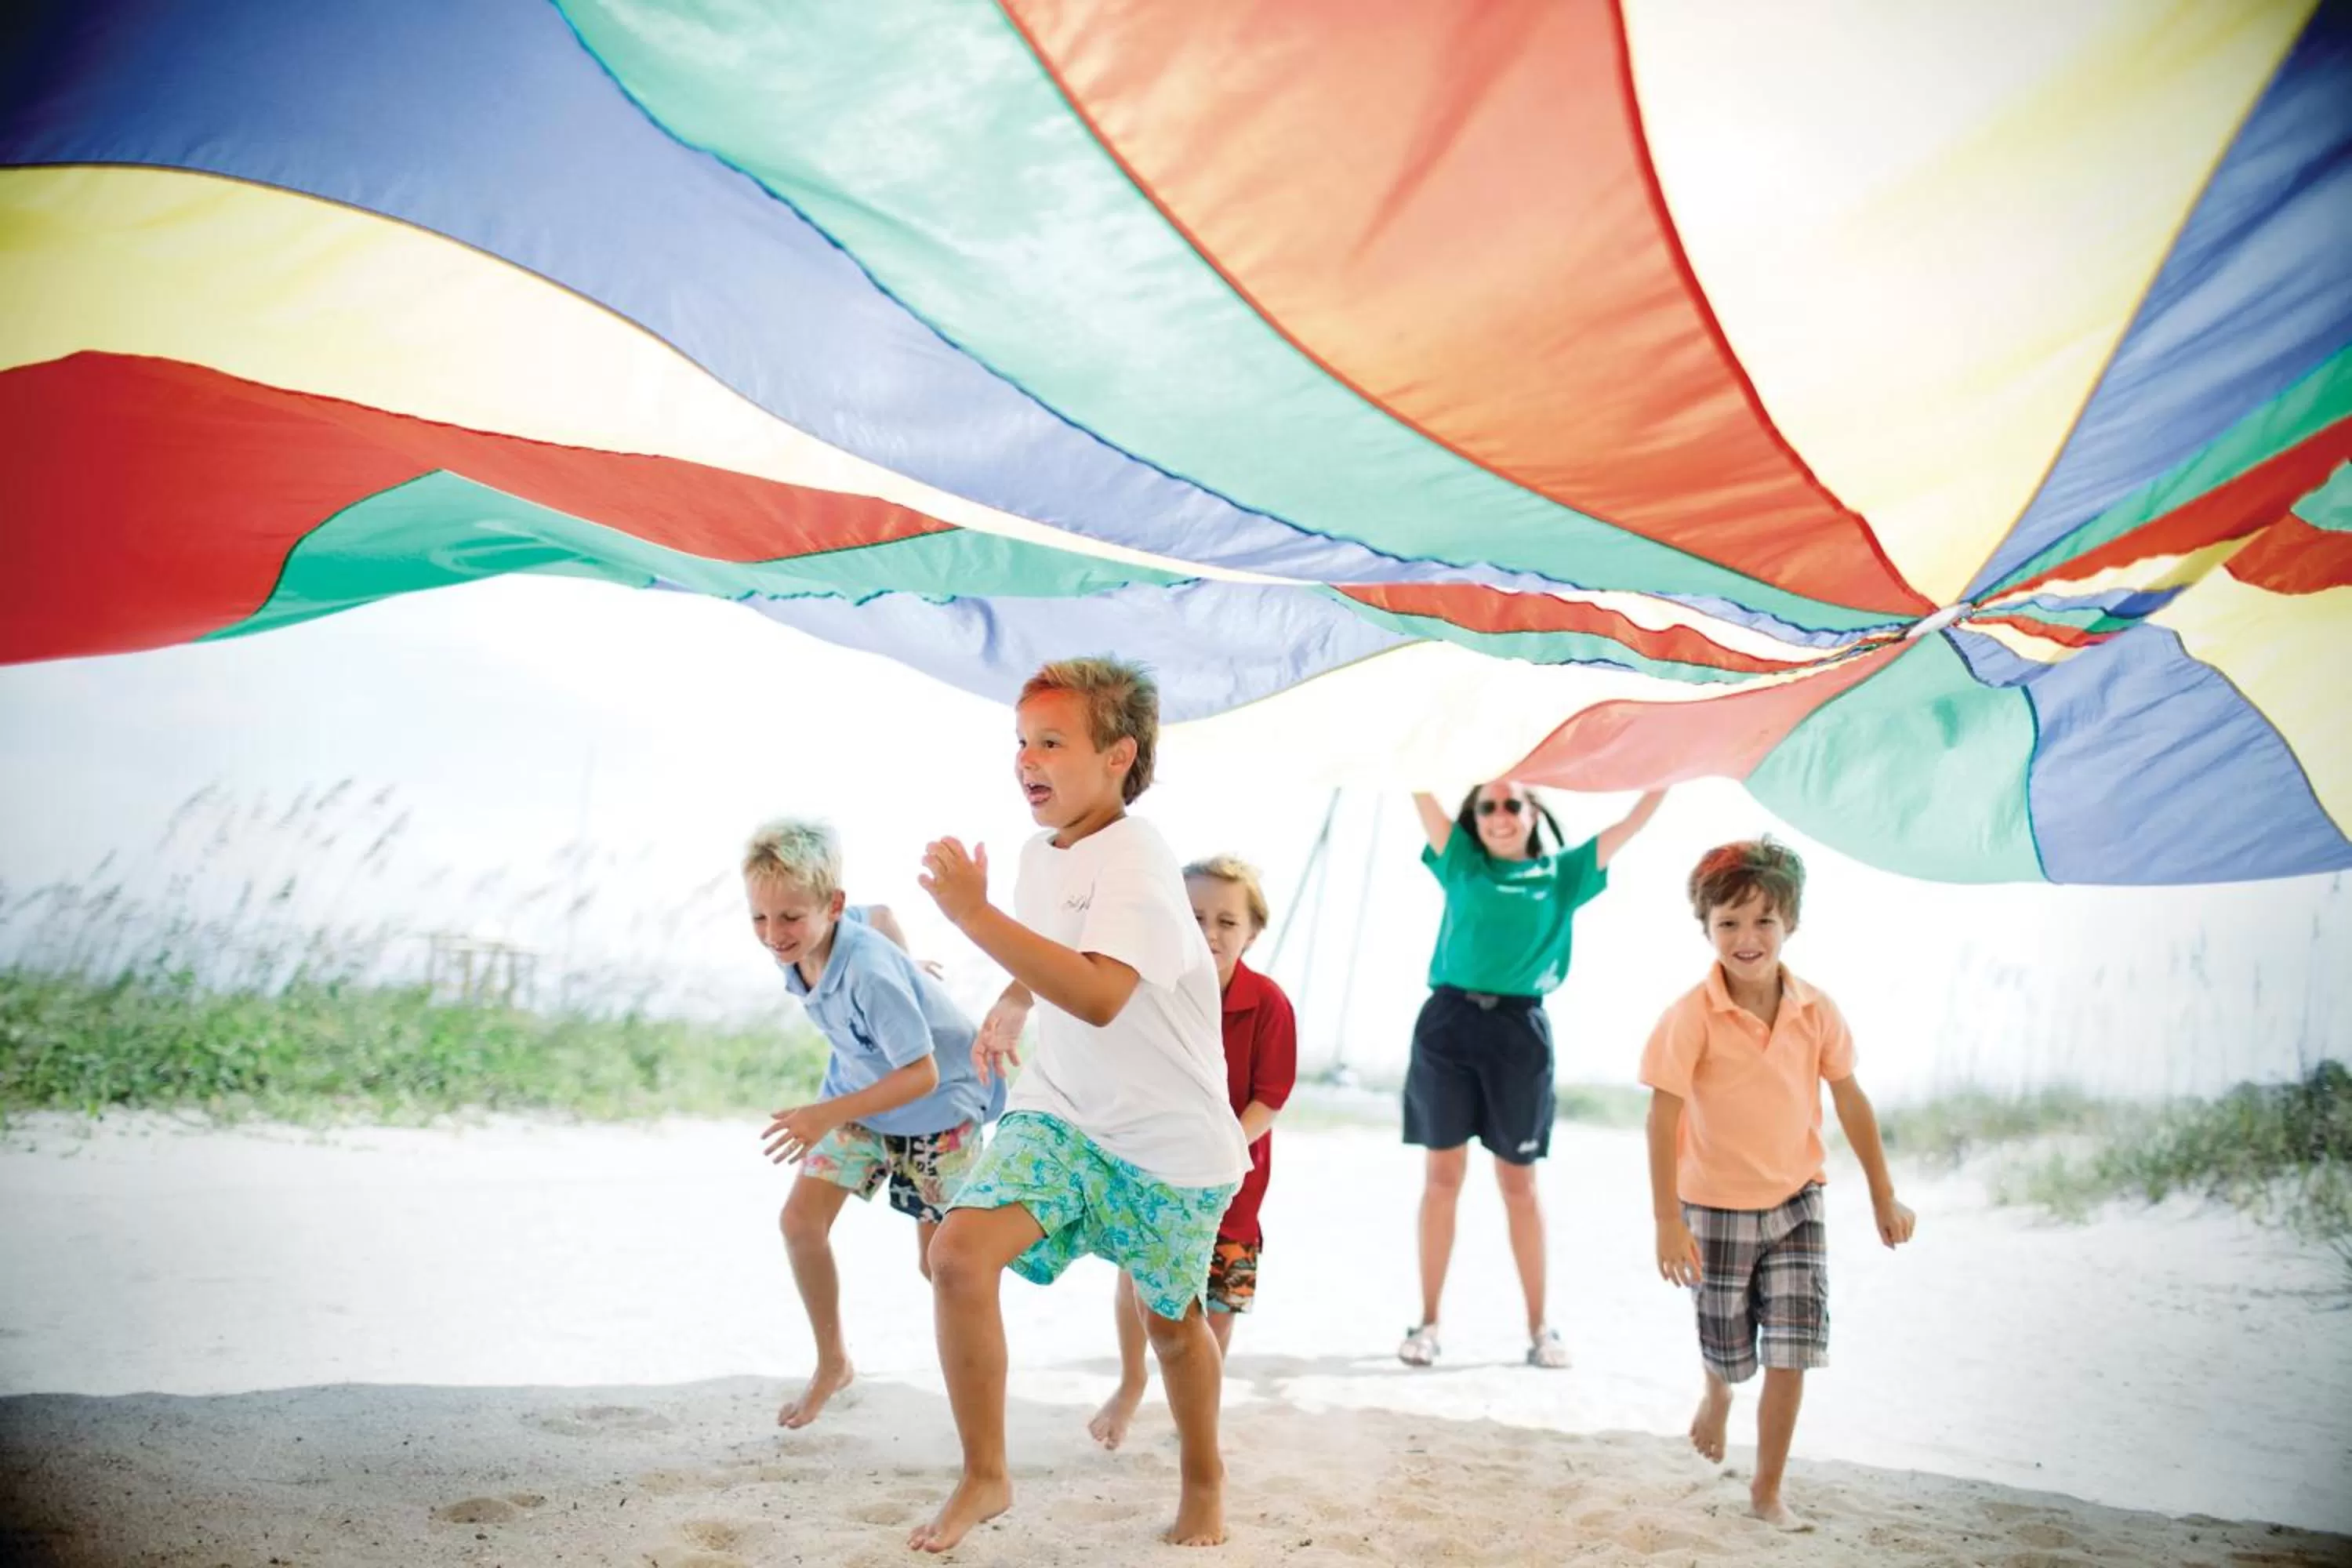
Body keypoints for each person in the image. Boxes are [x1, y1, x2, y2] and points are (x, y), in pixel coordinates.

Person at [912, 657, 1250, 1552]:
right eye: (1021, 741)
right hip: (1060, 1109)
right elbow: (1057, 956)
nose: (1027, 757)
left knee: (1171, 1326)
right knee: (957, 1255)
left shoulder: (1139, 854)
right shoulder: (1035, 855)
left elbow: (1102, 992)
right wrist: (1013, 998)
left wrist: (971, 917)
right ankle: (986, 1473)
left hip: (1169, 1141)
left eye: (1052, 740)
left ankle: (1205, 1477)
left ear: (1117, 756)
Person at [1639, 837, 1916, 1531]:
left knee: (1792, 1349)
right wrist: (1666, 1219)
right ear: (1706, 928)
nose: (1747, 937)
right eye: (1729, 922)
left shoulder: (1816, 1010)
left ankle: (1767, 1492)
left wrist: (1884, 1194)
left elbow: (1850, 1098)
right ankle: (1718, 1393)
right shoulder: (1690, 1016)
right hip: (1714, 1207)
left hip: (1798, 1202)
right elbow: (1662, 1114)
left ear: (1790, 923)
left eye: (1764, 920)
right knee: (1731, 1355)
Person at [1398, 780, 1665, 1370]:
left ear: (1533, 810)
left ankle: (1542, 1329)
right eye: (1487, 806)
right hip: (1447, 1025)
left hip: (1520, 1035)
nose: (1499, 816)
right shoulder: (1461, 861)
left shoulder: (1564, 873)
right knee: (1442, 1179)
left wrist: (1665, 769)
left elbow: (1634, 820)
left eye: (1512, 804)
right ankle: (1429, 1322)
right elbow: (1420, 786)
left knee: (1519, 1185)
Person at [743, 819, 998, 1430]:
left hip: (938, 1110)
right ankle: (833, 1361)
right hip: (862, 1098)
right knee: (800, 1222)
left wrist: (821, 1115)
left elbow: (922, 1075)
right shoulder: (818, 936)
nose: (775, 934)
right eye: (760, 918)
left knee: (941, 1265)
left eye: (789, 919)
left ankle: (972, 1391)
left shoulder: (870, 975)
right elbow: (881, 913)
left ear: (830, 907)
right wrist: (912, 963)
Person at [1088, 854, 1298, 1450]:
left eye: (1227, 922)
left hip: (1232, 1181)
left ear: (1252, 931)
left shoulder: (1268, 1003)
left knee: (1217, 1302)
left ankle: (1197, 1410)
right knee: (1137, 1277)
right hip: (1153, 1167)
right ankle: (1131, 1383)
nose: (1209, 932)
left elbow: (1271, 1099)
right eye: (1195, 915)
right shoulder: (1153, 991)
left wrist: (1219, 1151)